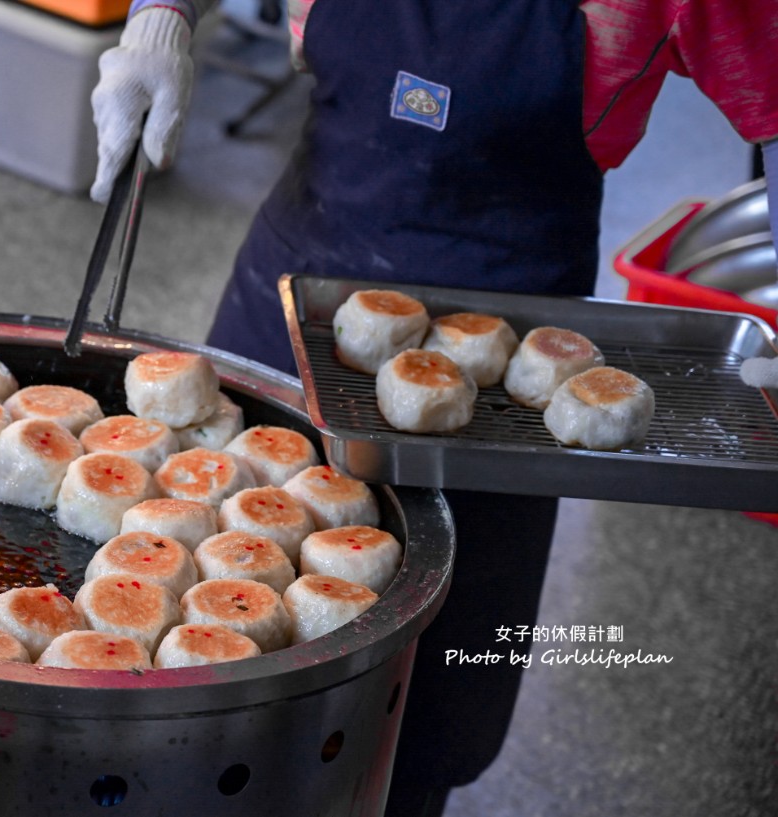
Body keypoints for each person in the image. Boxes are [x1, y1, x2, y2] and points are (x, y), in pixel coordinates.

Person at [90, 2, 777, 815]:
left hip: (500, 385)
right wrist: (159, 23)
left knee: (427, 704)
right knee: (203, 653)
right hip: (295, 296)